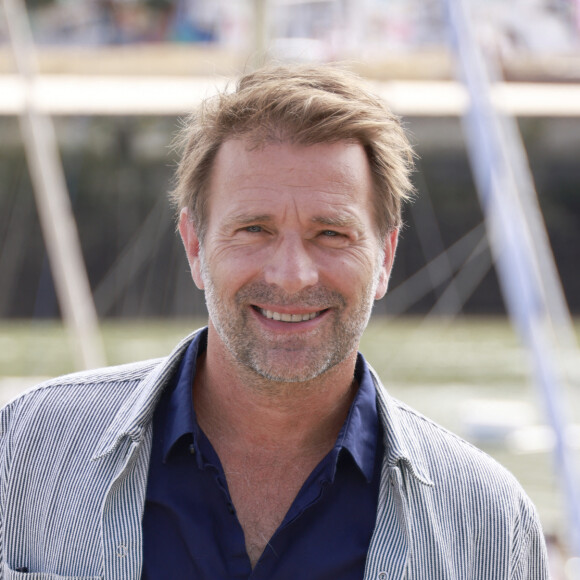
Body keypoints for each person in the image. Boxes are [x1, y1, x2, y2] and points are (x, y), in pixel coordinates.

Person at [0, 64, 548, 579]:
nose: (292, 276)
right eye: (255, 229)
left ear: (385, 257)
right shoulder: (27, 450)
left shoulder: (490, 526)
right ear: (195, 246)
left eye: (331, 233)